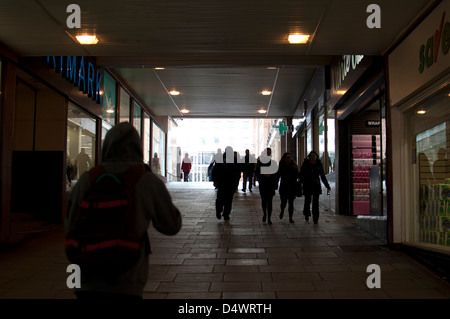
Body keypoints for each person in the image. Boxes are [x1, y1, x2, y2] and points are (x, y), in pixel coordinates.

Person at [65, 122, 182, 299]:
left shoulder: (87, 179)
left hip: (84, 275)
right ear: (137, 149)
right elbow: (171, 225)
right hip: (127, 277)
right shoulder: (145, 180)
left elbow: (69, 224)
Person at [299, 150, 331, 224]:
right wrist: (300, 183)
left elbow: (322, 176)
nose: (313, 157)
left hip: (316, 185)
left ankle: (315, 218)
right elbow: (302, 174)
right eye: (311, 156)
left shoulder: (319, 164)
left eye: (314, 156)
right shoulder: (306, 164)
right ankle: (306, 213)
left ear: (316, 157)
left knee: (315, 203)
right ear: (309, 157)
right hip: (307, 185)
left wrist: (327, 186)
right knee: (307, 201)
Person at [211, 146, 241, 221]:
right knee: (228, 199)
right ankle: (226, 214)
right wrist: (236, 181)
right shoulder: (234, 160)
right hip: (230, 183)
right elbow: (238, 171)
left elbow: (215, 170)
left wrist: (215, 181)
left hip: (222, 182)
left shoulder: (220, 159)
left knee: (220, 198)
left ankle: (219, 210)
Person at [256, 148, 279, 224]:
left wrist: (271, 176)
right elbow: (257, 173)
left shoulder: (273, 163)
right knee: (263, 201)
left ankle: (269, 217)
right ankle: (264, 214)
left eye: (270, 152)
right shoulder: (260, 163)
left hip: (270, 184)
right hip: (263, 184)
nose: (268, 154)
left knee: (270, 201)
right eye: (267, 152)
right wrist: (264, 174)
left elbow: (276, 174)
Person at [277, 152, 299, 223]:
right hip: (284, 186)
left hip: (292, 186)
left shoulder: (294, 166)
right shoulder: (281, 166)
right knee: (283, 202)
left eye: (290, 157)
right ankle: (282, 210)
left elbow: (297, 175)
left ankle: (290, 218)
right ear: (285, 158)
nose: (289, 159)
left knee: (291, 203)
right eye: (288, 157)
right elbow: (278, 175)